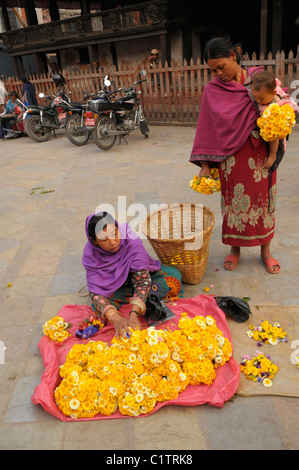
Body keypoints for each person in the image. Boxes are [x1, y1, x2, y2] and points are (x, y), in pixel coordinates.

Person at [189, 36, 281, 274]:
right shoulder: (213, 90)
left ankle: (266, 252)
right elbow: (207, 127)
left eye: (221, 66)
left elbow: (279, 107)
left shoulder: (259, 80)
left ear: (233, 56)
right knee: (233, 204)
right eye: (213, 70)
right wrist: (205, 165)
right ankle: (234, 250)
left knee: (264, 203)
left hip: (261, 153)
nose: (219, 73)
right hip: (231, 157)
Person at [82, 212, 183, 339]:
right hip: (114, 286)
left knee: (173, 277)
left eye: (115, 233)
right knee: (101, 302)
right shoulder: (91, 256)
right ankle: (138, 299)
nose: (113, 242)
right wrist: (115, 318)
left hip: (138, 277)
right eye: (104, 239)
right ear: (94, 241)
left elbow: (142, 280)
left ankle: (136, 300)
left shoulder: (130, 239)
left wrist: (134, 313)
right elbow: (96, 292)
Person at [251, 70, 299, 169]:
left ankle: (273, 155)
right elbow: (276, 82)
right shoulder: (269, 90)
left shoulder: (275, 105)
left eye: (262, 99)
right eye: (256, 98)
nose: (259, 101)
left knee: (273, 133)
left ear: (273, 92)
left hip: (277, 131)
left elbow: (275, 131)